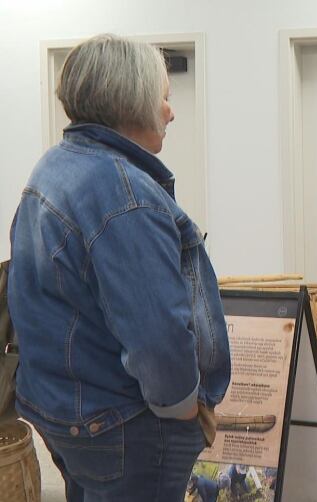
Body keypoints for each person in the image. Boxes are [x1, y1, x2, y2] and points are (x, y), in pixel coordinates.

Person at [7, 34, 231, 501]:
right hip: (125, 426)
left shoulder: (54, 167)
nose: (171, 111)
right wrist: (185, 408)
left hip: (66, 413)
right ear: (132, 99)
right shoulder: (125, 196)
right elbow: (157, 339)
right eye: (164, 97)